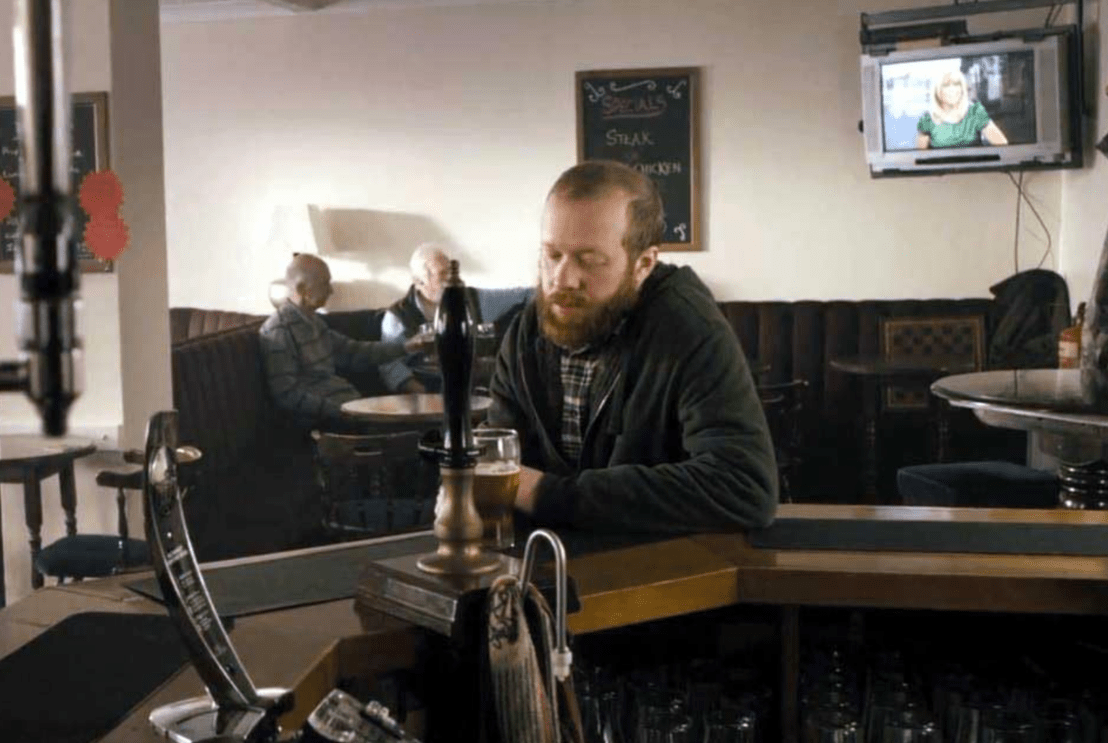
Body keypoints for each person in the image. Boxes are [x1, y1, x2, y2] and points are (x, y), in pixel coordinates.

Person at [487, 160, 778, 534]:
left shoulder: (689, 329)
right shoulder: (527, 330)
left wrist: (546, 494)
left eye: (589, 260)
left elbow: (744, 486)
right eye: (552, 254)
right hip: (546, 559)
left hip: (660, 565)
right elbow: (499, 459)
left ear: (643, 264)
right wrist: (465, 495)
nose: (562, 279)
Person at [260, 253, 413, 429]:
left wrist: (406, 347)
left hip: (348, 408)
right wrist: (344, 411)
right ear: (302, 289)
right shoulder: (278, 330)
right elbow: (287, 395)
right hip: (325, 421)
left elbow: (355, 351)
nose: (331, 291)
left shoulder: (314, 322)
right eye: (325, 283)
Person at [378, 243, 532, 394]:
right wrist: (421, 393)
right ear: (419, 282)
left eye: (451, 272)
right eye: (442, 274)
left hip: (473, 390)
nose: (451, 279)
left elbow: (526, 295)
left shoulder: (473, 299)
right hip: (426, 391)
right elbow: (389, 365)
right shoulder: (398, 317)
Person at [916, 69, 1008, 149]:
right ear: (938, 91)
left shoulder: (975, 112)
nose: (952, 89)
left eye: (956, 84)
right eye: (946, 85)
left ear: (962, 89)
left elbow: (1003, 145)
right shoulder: (928, 119)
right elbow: (920, 157)